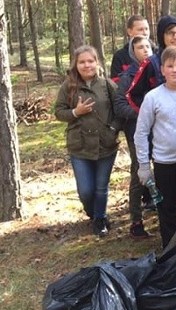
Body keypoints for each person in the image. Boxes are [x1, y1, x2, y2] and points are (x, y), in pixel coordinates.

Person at [134, 46, 176, 248]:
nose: (175, 70)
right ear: (162, 70)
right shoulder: (153, 97)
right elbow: (141, 132)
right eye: (170, 66)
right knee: (167, 210)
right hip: (165, 164)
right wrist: (144, 166)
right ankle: (171, 253)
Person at [54, 45, 119, 237]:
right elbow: (58, 111)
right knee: (86, 191)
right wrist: (76, 112)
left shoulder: (107, 85)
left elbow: (119, 110)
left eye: (90, 61)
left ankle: (100, 218)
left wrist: (113, 129)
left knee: (101, 187)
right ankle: (93, 212)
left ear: (97, 62)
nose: (86, 65)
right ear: (76, 64)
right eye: (82, 62)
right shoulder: (69, 86)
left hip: (105, 145)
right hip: (79, 146)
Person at [114, 35, 154, 238]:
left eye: (148, 46)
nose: (145, 50)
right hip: (136, 132)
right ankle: (136, 221)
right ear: (132, 52)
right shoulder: (127, 77)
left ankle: (161, 210)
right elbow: (120, 106)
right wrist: (143, 114)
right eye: (140, 47)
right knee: (139, 173)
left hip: (160, 132)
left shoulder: (157, 73)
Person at [126, 15, 176, 112]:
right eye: (170, 33)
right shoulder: (150, 63)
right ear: (162, 35)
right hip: (161, 123)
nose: (175, 37)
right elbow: (133, 95)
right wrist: (151, 113)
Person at [110, 15, 150, 84]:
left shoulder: (156, 52)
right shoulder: (120, 56)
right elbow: (115, 84)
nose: (145, 33)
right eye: (140, 29)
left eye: (146, 29)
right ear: (129, 32)